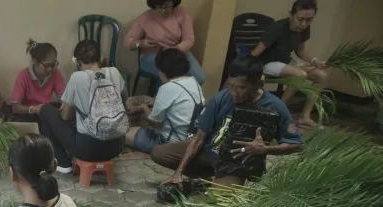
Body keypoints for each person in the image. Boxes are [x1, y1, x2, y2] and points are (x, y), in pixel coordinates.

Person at [152, 56, 303, 187]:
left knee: (219, 199)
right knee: (159, 153)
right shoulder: (221, 98)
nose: (234, 93)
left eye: (241, 88)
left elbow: (295, 144)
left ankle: (224, 180)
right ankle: (211, 177)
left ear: (258, 85)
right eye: (231, 86)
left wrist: (265, 150)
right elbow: (199, 137)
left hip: (236, 161)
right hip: (210, 151)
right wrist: (179, 172)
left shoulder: (275, 106)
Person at [39, 40, 127, 173]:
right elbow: (124, 100)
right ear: (101, 58)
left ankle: (62, 162)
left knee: (46, 110)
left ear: (78, 63)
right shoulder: (114, 72)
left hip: (88, 150)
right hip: (117, 146)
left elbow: (65, 116)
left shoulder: (77, 77)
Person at [250, 0, 327, 127]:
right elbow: (255, 53)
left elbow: (300, 51)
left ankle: (304, 116)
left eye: (309, 20)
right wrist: (250, 70)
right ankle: (276, 112)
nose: (304, 24)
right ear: (291, 14)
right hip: (267, 63)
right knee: (300, 75)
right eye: (300, 19)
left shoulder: (304, 29)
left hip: (286, 62)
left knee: (322, 76)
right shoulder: (278, 27)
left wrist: (315, 61)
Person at [126, 48, 204, 153]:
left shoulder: (167, 88)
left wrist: (144, 109)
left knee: (126, 134)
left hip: (171, 143)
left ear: (162, 71)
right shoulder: (194, 82)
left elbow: (155, 123)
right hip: (191, 139)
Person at [124, 0, 206, 86]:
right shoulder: (145, 18)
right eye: (159, 7)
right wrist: (140, 43)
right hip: (153, 55)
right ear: (153, 5)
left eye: (167, 6)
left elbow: (189, 40)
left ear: (173, 3)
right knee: (170, 78)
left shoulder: (181, 13)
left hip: (177, 52)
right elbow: (127, 42)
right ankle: (160, 97)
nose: (163, 10)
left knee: (199, 78)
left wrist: (176, 49)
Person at [9, 39, 66, 122]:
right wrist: (33, 109)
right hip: (27, 114)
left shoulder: (55, 73)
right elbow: (15, 107)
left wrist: (65, 105)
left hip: (45, 112)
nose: (50, 69)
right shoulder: (23, 76)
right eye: (46, 65)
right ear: (35, 61)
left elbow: (64, 96)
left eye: (53, 65)